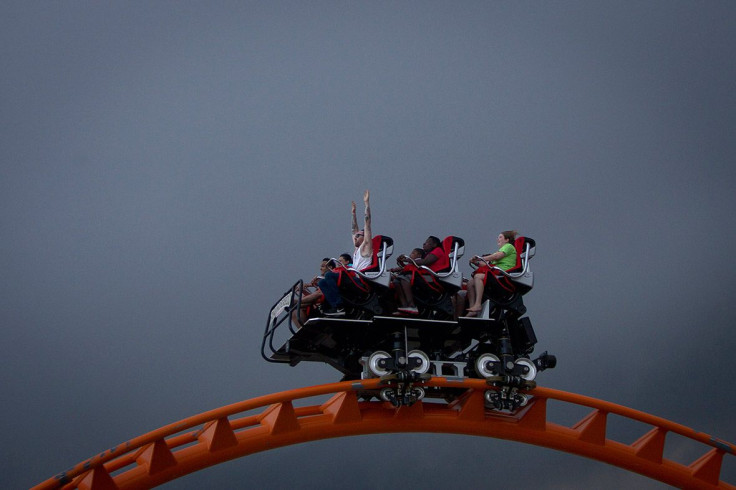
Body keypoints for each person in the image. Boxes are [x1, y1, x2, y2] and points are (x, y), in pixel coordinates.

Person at [318, 190, 373, 316]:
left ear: (364, 238)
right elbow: (354, 229)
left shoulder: (366, 248)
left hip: (360, 280)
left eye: (359, 236)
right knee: (322, 282)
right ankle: (337, 307)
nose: (355, 237)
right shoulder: (356, 250)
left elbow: (368, 224)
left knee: (329, 276)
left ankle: (339, 305)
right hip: (352, 278)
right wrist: (353, 214)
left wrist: (366, 204)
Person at [464, 230, 518, 316]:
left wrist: (480, 258)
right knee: (470, 282)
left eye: (500, 237)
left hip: (502, 275)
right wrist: (476, 262)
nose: (498, 239)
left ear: (507, 240)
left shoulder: (509, 246)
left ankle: (478, 304)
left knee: (478, 277)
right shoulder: (499, 251)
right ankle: (472, 309)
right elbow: (487, 264)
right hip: (495, 273)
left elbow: (496, 257)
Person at [393, 236, 448, 315]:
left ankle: (412, 305)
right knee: (396, 281)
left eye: (427, 242)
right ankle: (404, 306)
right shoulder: (427, 254)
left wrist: (408, 260)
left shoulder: (438, 250)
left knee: (405, 277)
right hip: (425, 276)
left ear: (434, 244)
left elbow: (426, 262)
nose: (424, 244)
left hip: (434, 278)